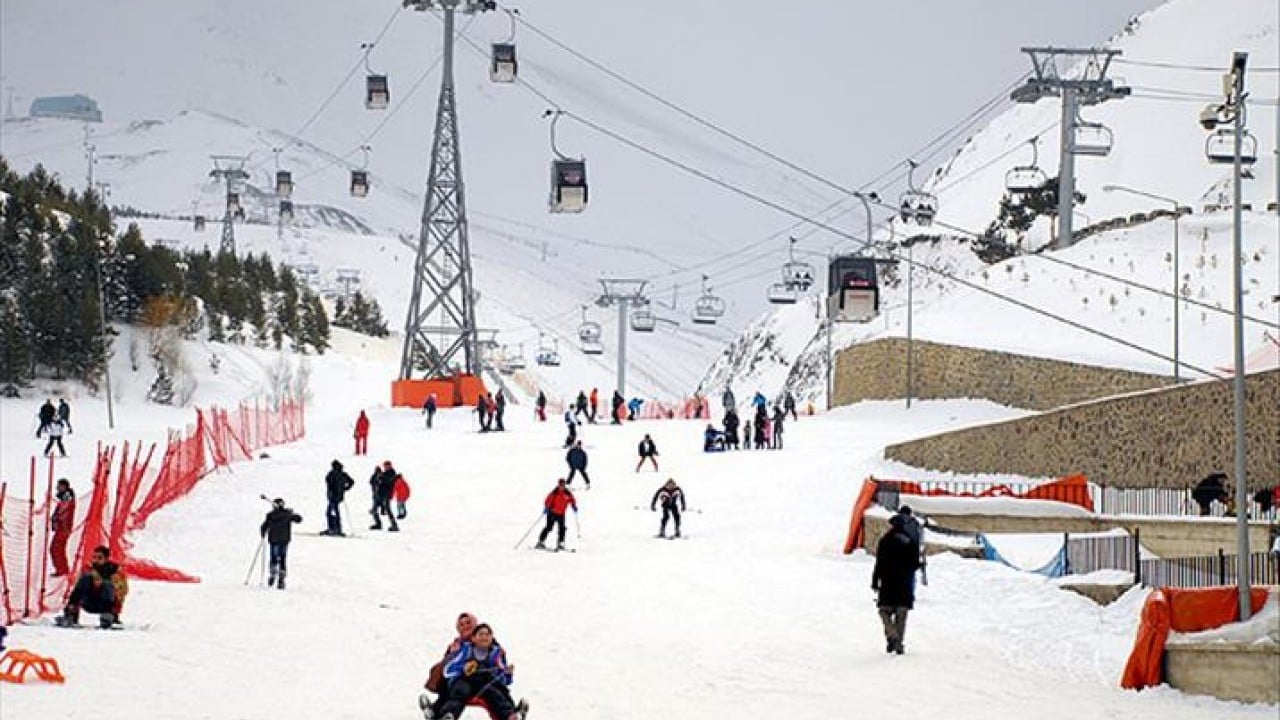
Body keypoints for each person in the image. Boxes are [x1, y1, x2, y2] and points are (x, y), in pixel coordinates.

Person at [432, 623, 526, 720]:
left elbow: (504, 680)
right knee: (460, 692)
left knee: (495, 694)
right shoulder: (466, 650)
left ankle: (509, 716)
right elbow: (448, 670)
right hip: (465, 681)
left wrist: (507, 673)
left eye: (487, 634)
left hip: (484, 686)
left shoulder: (495, 654)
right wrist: (463, 668)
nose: (484, 637)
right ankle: (447, 715)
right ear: (473, 638)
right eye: (481, 634)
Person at [872, 515, 922, 655]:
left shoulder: (885, 541)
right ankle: (898, 641)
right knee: (902, 613)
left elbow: (879, 563)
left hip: (888, 582)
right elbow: (915, 563)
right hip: (904, 583)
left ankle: (892, 636)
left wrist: (875, 581)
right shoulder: (910, 542)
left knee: (884, 611)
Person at [56, 545, 128, 629]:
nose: (96, 560)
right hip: (88, 601)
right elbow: (78, 587)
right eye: (94, 557)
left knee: (107, 584)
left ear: (106, 559)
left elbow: (122, 592)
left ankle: (109, 617)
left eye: (99, 558)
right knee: (85, 578)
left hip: (107, 604)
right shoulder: (88, 569)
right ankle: (70, 615)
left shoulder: (116, 571)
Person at [260, 498, 302, 590]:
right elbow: (299, 519)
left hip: (274, 540)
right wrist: (292, 514)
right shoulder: (287, 514)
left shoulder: (271, 515)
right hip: (284, 540)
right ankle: (281, 577)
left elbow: (264, 526)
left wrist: (263, 533)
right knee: (282, 558)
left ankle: (273, 573)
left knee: (274, 557)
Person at [535, 479, 577, 551]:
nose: (562, 486)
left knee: (562, 528)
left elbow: (572, 499)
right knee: (549, 527)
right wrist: (547, 508)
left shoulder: (567, 493)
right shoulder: (554, 492)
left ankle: (560, 543)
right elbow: (547, 500)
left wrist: (573, 505)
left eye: (563, 485)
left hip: (561, 514)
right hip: (552, 513)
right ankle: (540, 542)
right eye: (560, 485)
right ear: (558, 485)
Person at [50, 478, 75, 576]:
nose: (57, 488)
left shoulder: (67, 497)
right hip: (63, 528)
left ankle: (61, 570)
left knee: (55, 548)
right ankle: (62, 569)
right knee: (58, 549)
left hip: (63, 528)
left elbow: (63, 512)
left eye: (59, 486)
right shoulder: (66, 497)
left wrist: (56, 519)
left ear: (64, 487)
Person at [323, 460, 356, 536]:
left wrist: (344, 488)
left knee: (331, 512)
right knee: (332, 512)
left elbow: (329, 483)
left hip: (334, 496)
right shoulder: (342, 474)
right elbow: (351, 482)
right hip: (338, 496)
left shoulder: (333, 473)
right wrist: (345, 488)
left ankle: (335, 529)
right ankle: (334, 528)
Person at [897, 505, 926, 588]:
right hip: (913, 554)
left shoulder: (899, 522)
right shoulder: (916, 524)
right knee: (910, 574)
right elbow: (921, 540)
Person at [370, 461, 400, 531]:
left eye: (387, 466)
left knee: (388, 510)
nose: (386, 467)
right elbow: (372, 481)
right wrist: (376, 474)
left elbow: (389, 482)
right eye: (385, 466)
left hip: (386, 495)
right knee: (374, 510)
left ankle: (394, 525)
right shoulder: (383, 473)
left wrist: (381, 477)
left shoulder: (392, 473)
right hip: (379, 494)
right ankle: (378, 524)